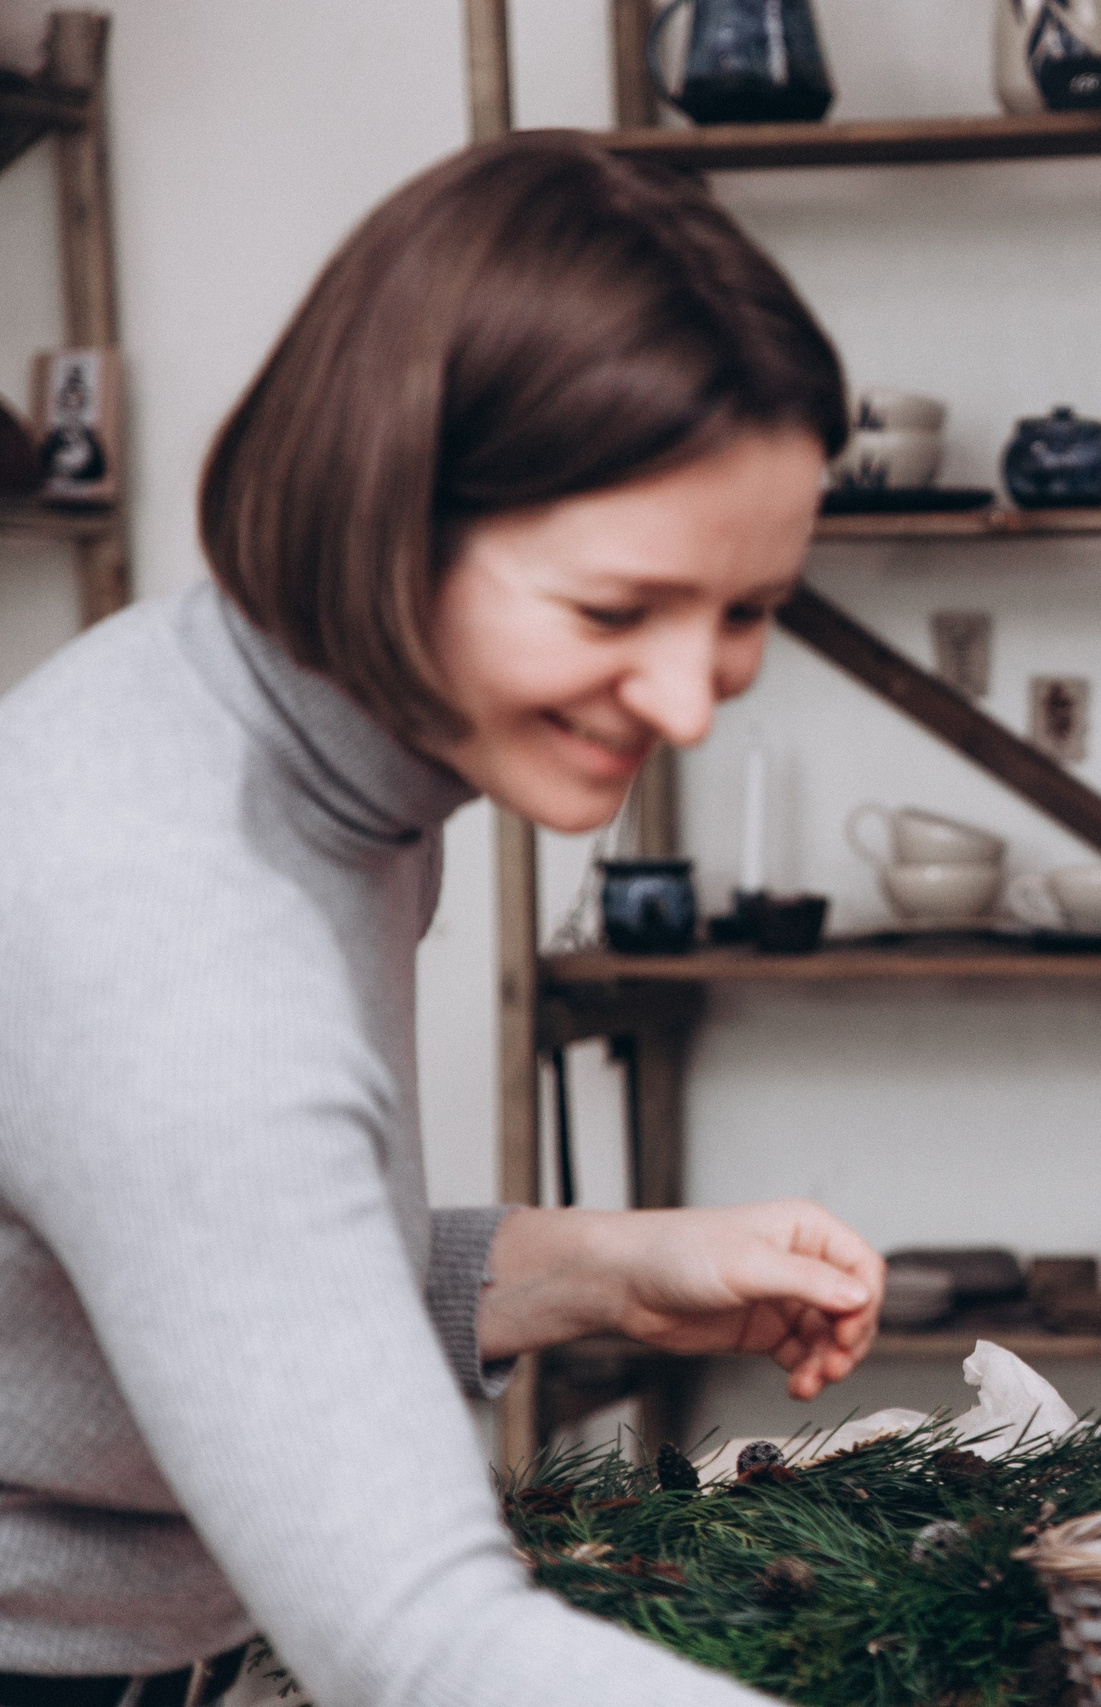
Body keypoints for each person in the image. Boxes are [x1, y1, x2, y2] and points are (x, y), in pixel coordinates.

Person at [0, 133, 887, 1706]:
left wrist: (604, 1267)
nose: (688, 699)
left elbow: (223, 1279)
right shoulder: (179, 928)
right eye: (615, 610)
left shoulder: (292, 736)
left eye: (744, 611)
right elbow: (420, 1644)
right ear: (388, 511)